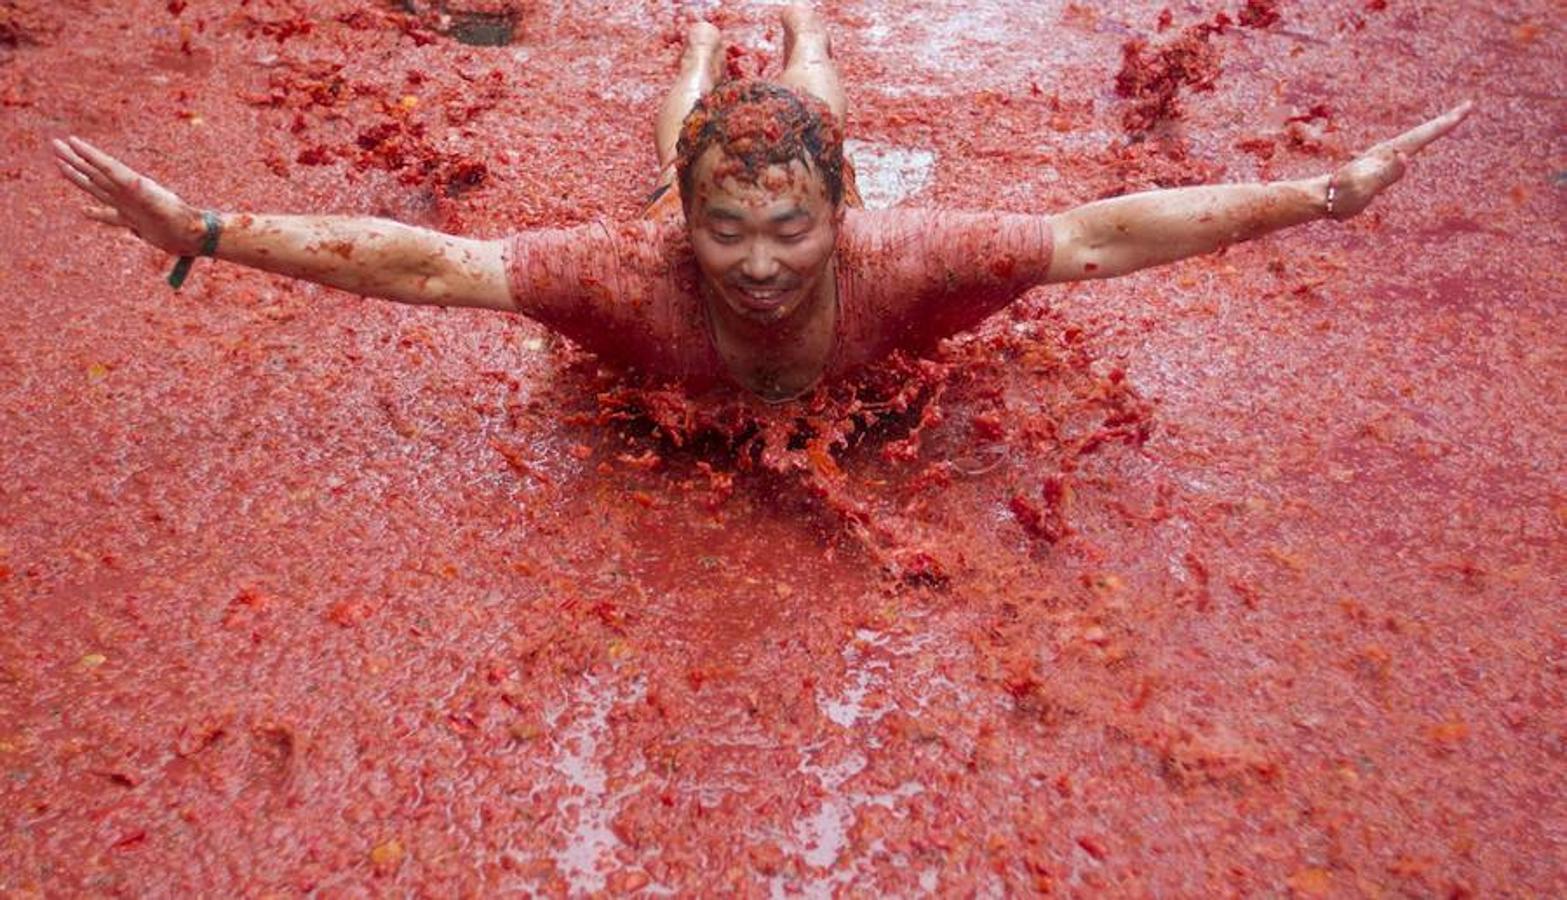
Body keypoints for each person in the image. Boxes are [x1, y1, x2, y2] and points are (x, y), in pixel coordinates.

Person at [51, 6, 1470, 403]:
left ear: (845, 217)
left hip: (820, 141)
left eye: (792, 226)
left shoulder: (907, 252)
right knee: (680, 141)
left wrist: (1319, 195)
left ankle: (794, 21)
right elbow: (428, 267)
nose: (759, 263)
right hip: (677, 183)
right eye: (724, 231)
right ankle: (685, 58)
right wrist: (209, 236)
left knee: (809, 91)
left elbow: (1107, 232)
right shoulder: (632, 266)